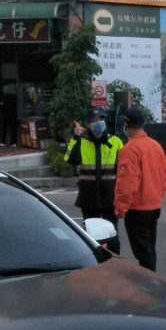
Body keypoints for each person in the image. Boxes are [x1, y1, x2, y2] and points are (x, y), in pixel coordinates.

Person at [113, 105, 166, 271]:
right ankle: (153, 279)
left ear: (126, 125)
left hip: (137, 209)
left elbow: (127, 183)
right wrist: (158, 195)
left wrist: (120, 208)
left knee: (142, 252)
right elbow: (165, 174)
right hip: (154, 205)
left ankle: (150, 284)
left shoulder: (129, 150)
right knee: (149, 247)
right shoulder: (155, 146)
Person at [64, 106, 124, 253]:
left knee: (112, 236)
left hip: (110, 198)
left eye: (102, 119)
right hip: (88, 198)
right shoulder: (82, 142)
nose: (99, 122)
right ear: (88, 124)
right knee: (91, 238)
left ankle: (114, 264)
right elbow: (70, 159)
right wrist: (76, 138)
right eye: (95, 120)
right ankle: (96, 266)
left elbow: (124, 170)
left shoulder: (115, 142)